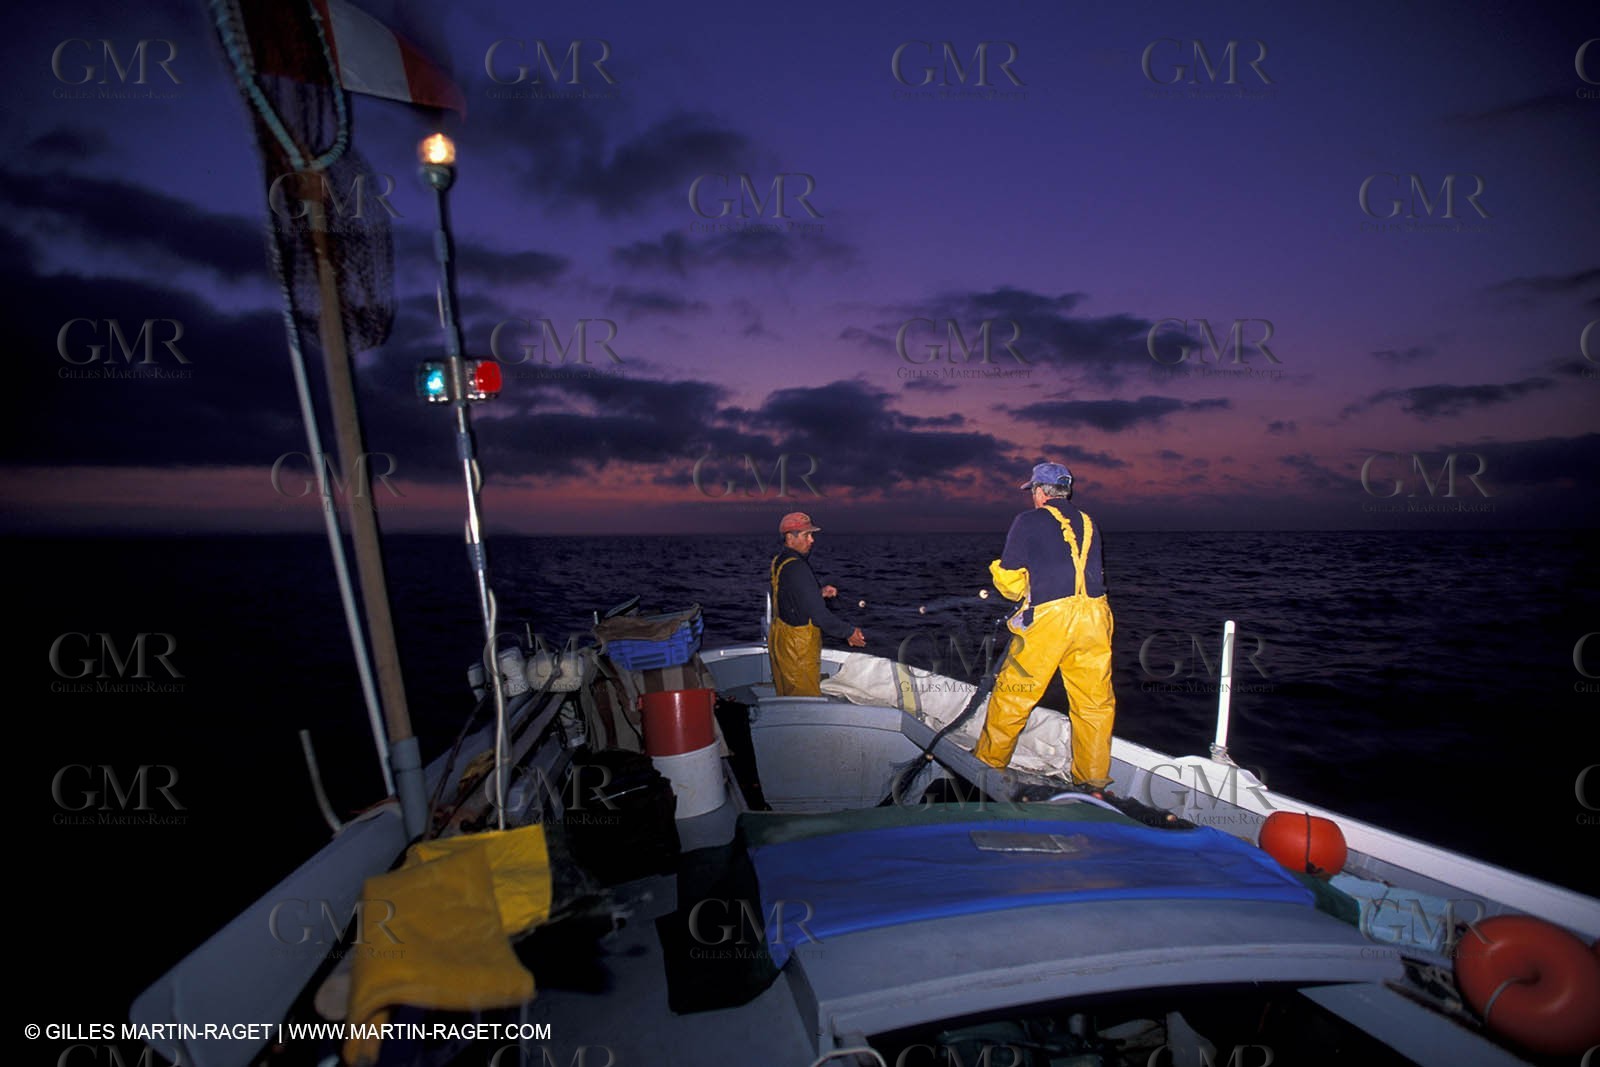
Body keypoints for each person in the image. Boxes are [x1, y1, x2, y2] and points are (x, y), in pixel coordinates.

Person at [975, 462, 1117, 789]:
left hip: (1052, 620)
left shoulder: (1028, 520)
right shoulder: (1089, 521)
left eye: (1032, 492)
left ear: (1039, 492)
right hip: (1096, 617)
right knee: (1094, 704)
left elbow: (1010, 581)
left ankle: (985, 767)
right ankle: (1093, 782)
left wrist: (1014, 582)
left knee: (1014, 694)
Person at [769, 512, 865, 696]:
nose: (812, 540)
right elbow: (820, 615)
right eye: (806, 535)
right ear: (790, 537)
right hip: (798, 648)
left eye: (811, 535)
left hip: (780, 639)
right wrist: (849, 632)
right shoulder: (798, 567)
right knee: (803, 698)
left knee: (786, 692)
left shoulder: (780, 561)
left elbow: (789, 596)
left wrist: (817, 593)